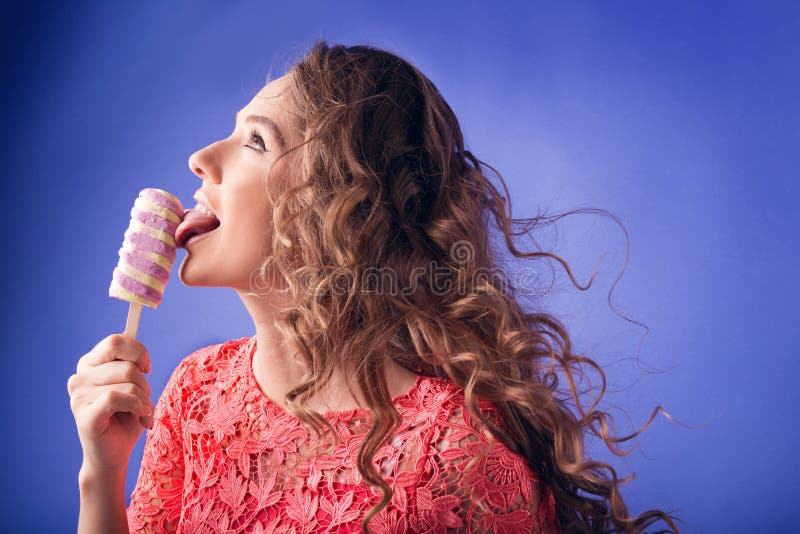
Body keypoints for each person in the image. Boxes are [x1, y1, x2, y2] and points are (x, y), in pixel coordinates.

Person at [68, 40, 682, 533]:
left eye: (256, 140)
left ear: (345, 209)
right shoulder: (193, 394)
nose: (201, 157)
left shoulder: (460, 453)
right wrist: (101, 472)